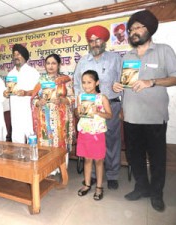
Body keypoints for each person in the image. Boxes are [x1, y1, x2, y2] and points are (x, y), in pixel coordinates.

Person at [113, 10, 176, 212]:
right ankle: (141, 187)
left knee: (157, 158)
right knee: (135, 157)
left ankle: (156, 193)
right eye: (131, 28)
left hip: (154, 117)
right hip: (131, 117)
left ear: (149, 29)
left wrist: (151, 81)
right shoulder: (127, 55)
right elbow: (126, 83)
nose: (133, 32)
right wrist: (119, 88)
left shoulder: (163, 50)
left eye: (138, 27)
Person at [73, 25, 122, 190]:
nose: (94, 43)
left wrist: (120, 89)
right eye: (91, 40)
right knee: (91, 143)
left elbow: (124, 82)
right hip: (88, 110)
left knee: (111, 142)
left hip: (110, 107)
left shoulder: (115, 59)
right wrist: (79, 107)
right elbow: (76, 85)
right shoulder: (83, 61)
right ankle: (92, 176)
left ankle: (113, 175)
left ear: (104, 40)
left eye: (97, 39)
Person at [31, 54, 75, 170]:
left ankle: (62, 169)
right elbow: (34, 98)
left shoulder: (65, 80)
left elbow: (72, 97)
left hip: (60, 118)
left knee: (60, 142)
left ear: (59, 65)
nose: (50, 66)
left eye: (54, 63)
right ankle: (48, 170)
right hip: (44, 119)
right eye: (48, 63)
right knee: (46, 142)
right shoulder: (40, 80)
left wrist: (62, 100)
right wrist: (38, 102)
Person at [76, 70, 112, 200]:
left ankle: (99, 187)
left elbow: (109, 115)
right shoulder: (81, 97)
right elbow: (78, 114)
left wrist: (98, 112)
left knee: (98, 161)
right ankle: (87, 184)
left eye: (89, 82)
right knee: (87, 160)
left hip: (97, 134)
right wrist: (78, 111)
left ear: (97, 82)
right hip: (84, 133)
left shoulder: (102, 98)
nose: (86, 85)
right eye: (84, 82)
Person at [3, 44, 40, 143]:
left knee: (31, 137)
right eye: (14, 54)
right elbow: (8, 91)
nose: (16, 57)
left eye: (18, 54)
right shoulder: (10, 74)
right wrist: (5, 93)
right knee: (16, 140)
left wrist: (26, 93)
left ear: (24, 56)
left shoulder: (33, 72)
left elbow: (38, 93)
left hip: (29, 112)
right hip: (15, 113)